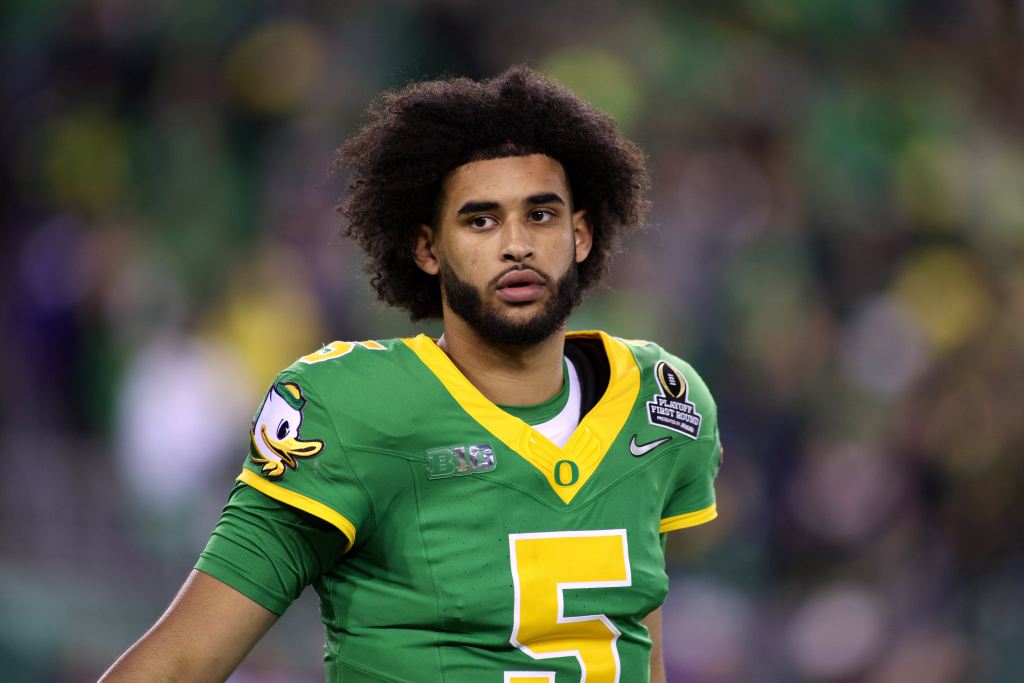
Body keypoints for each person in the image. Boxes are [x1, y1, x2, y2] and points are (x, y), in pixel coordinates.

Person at [100, 65, 722, 683]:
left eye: (541, 215)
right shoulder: (350, 407)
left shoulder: (660, 400)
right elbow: (178, 663)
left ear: (580, 235)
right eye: (481, 220)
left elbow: (638, 642)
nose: (517, 245)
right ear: (427, 249)